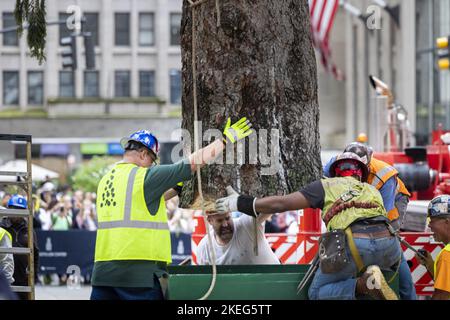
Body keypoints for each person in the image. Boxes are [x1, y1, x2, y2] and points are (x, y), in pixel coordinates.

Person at [91, 117, 253, 300]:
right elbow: (191, 163)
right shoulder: (143, 176)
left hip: (103, 273)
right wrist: (226, 139)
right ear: (144, 154)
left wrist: (176, 188)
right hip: (137, 275)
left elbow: (145, 201)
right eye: (152, 160)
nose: (152, 165)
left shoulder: (106, 180)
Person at [216, 153, 402, 300]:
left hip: (356, 244)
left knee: (317, 292)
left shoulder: (326, 185)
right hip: (390, 247)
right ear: (360, 174)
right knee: (387, 280)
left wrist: (240, 203)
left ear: (334, 172)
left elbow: (281, 204)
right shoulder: (372, 190)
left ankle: (365, 285)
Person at [323, 142, 416, 300]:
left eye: (358, 168)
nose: (352, 173)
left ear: (367, 163)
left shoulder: (385, 177)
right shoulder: (334, 165)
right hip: (356, 205)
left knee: (388, 241)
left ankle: (408, 295)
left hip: (390, 205)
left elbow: (381, 217)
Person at [196, 192, 280, 265]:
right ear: (210, 221)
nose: (225, 224)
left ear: (231, 214)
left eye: (227, 218)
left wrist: (244, 201)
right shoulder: (204, 248)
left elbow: (272, 206)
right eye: (219, 221)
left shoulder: (247, 225)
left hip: (273, 281)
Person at [0, 195, 39, 300]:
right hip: (4, 276)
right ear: (9, 209)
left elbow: (35, 253)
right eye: (14, 209)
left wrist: (34, 276)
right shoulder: (1, 227)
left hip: (23, 277)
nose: (17, 212)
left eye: (20, 209)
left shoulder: (29, 230)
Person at [415, 195, 450, 300]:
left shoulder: (447, 255)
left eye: (432, 220)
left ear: (447, 222)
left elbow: (441, 296)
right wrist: (429, 264)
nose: (429, 225)